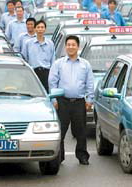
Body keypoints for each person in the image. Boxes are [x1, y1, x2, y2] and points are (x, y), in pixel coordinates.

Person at [49, 35, 94, 165]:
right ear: (65, 46)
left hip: (79, 102)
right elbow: (52, 82)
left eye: (73, 45)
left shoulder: (85, 64)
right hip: (62, 102)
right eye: (68, 44)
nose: (70, 47)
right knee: (61, 131)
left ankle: (82, 155)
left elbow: (89, 83)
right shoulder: (59, 63)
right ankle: (59, 156)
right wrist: (54, 100)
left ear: (77, 47)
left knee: (80, 131)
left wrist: (90, 99)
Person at [22, 20, 55, 92]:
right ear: (35, 29)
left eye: (42, 27)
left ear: (45, 29)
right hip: (33, 72)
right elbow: (24, 58)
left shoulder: (50, 43)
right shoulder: (28, 43)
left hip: (46, 72)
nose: (40, 29)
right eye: (38, 27)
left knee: (46, 92)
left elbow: (52, 60)